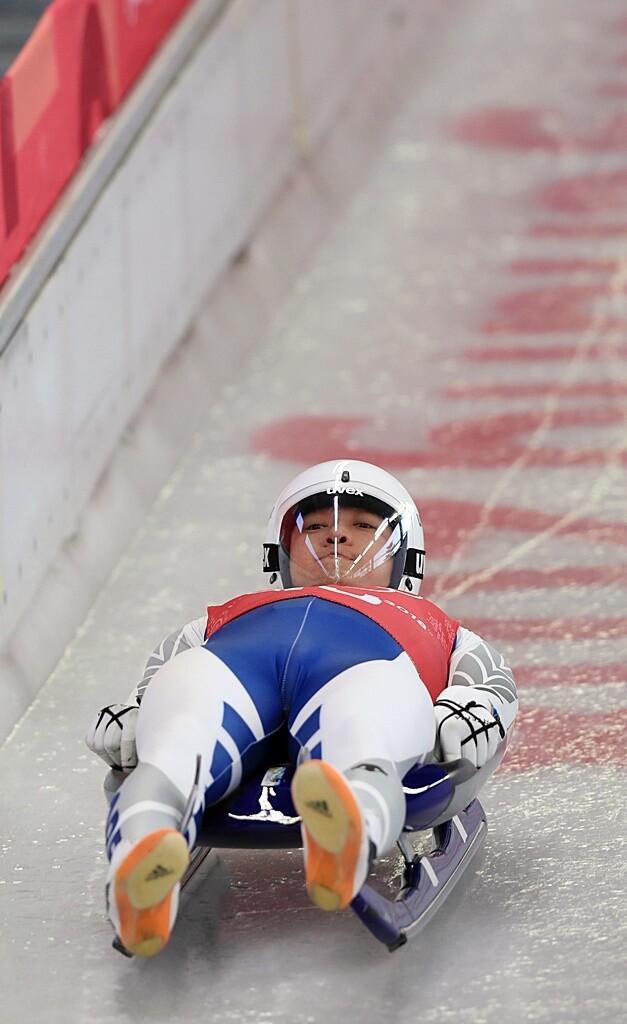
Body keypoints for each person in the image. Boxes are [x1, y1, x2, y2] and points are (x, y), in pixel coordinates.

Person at [86, 459, 518, 957]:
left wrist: (470, 710)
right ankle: (142, 862)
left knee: (364, 719)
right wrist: (136, 715)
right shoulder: (217, 619)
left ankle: (346, 818)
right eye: (315, 527)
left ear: (406, 555)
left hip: (369, 662)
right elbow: (161, 678)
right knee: (181, 735)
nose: (336, 539)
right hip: (234, 658)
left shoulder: (439, 627)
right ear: (281, 551)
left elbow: (490, 679)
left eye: (362, 526)